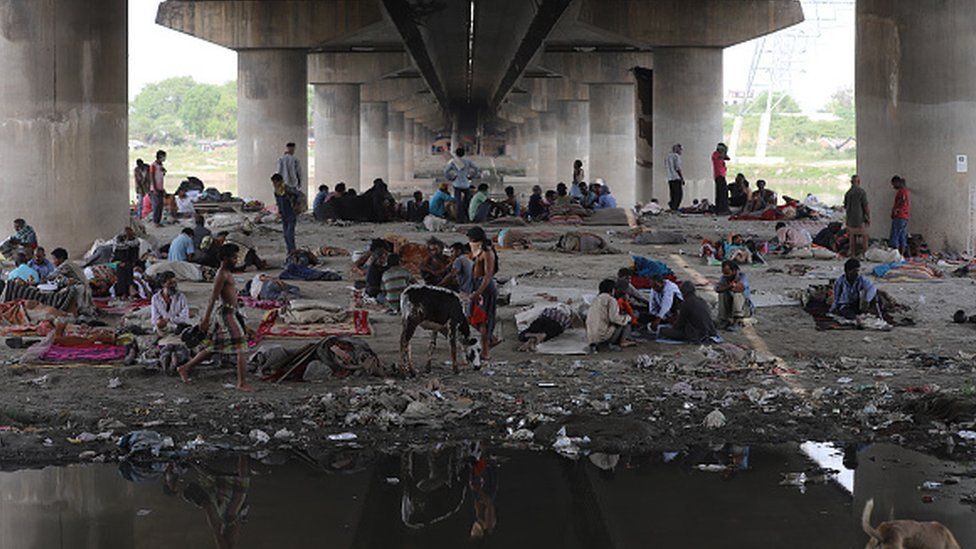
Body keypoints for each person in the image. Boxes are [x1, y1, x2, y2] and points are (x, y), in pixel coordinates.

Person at [178, 244, 252, 391]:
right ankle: (241, 383)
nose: (236, 260)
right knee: (241, 347)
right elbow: (213, 298)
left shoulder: (227, 273)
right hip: (226, 314)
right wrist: (205, 320)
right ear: (225, 258)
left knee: (213, 347)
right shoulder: (221, 274)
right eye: (234, 257)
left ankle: (185, 368)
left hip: (231, 312)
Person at [468, 227, 499, 360]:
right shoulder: (478, 252)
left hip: (485, 288)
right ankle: (491, 338)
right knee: (473, 317)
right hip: (478, 286)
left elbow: (488, 276)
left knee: (483, 320)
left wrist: (478, 292)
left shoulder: (487, 253)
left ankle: (486, 351)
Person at [586, 279, 633, 352]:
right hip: (602, 337)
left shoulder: (595, 299)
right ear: (612, 290)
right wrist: (627, 318)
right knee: (626, 320)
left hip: (591, 338)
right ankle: (623, 341)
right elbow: (614, 318)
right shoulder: (611, 300)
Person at [715, 260, 753, 330]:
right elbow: (717, 289)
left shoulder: (742, 276)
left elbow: (740, 288)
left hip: (744, 309)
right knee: (722, 293)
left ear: (734, 271)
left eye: (727, 273)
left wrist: (729, 287)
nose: (726, 275)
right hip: (730, 309)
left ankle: (738, 321)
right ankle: (723, 320)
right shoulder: (724, 277)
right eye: (724, 273)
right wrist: (729, 287)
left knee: (737, 294)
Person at [445, 147, 479, 223]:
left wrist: (451, 178)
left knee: (458, 202)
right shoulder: (467, 161)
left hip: (457, 184)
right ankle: (467, 217)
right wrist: (471, 176)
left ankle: (459, 219)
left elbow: (446, 171)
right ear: (464, 153)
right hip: (466, 184)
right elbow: (476, 169)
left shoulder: (453, 162)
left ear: (456, 154)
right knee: (467, 201)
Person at [844, 174, 870, 258]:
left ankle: (853, 254)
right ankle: (865, 255)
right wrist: (868, 217)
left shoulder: (848, 193)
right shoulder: (861, 192)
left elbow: (845, 206)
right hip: (860, 219)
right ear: (859, 182)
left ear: (851, 182)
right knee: (864, 237)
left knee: (852, 237)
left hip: (850, 220)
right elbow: (865, 206)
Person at [271, 173, 298, 254]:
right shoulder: (277, 191)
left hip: (291, 214)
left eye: (276, 182)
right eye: (273, 182)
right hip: (284, 215)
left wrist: (295, 205)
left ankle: (293, 250)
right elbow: (278, 203)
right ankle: (289, 250)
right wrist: (279, 213)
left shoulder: (287, 189)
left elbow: (297, 195)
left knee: (290, 234)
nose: (274, 184)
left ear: (280, 181)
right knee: (286, 235)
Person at [112, 227, 141, 300]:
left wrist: (132, 262)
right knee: (122, 268)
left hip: (129, 262)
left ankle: (127, 290)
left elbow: (135, 256)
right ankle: (128, 288)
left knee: (127, 266)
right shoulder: (118, 241)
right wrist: (121, 262)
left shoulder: (135, 241)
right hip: (118, 262)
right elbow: (116, 256)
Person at [890, 175, 910, 256]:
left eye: (893, 184)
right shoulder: (905, 191)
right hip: (904, 217)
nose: (893, 186)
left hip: (900, 216)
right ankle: (901, 255)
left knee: (895, 235)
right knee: (902, 236)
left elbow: (902, 202)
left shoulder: (902, 192)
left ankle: (896, 255)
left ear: (897, 182)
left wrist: (896, 211)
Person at [712, 143, 730, 214]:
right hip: (719, 176)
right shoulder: (715, 154)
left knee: (723, 193)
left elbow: (727, 158)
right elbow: (721, 156)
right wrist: (723, 151)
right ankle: (722, 209)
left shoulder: (720, 155)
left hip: (721, 176)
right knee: (721, 193)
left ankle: (722, 209)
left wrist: (725, 152)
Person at [150, 150, 167, 226]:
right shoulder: (153, 165)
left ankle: (158, 221)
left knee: (160, 205)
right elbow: (152, 177)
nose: (164, 158)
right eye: (164, 156)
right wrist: (155, 188)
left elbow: (160, 176)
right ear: (160, 156)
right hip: (155, 189)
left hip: (160, 188)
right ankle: (155, 222)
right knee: (156, 206)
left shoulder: (161, 165)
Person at [665, 144, 684, 211]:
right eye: (681, 149)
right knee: (679, 194)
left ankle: (672, 206)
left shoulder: (667, 156)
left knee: (672, 194)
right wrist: (682, 178)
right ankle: (675, 208)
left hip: (670, 178)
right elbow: (677, 168)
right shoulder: (676, 156)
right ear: (677, 149)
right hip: (676, 177)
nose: (681, 151)